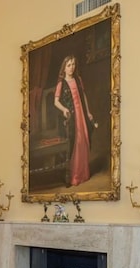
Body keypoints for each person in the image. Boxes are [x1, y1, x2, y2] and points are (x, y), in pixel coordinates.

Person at [54, 55, 96, 187]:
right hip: (72, 117)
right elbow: (55, 101)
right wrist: (64, 109)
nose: (71, 68)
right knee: (76, 142)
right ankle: (75, 176)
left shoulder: (78, 79)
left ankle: (84, 174)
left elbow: (83, 96)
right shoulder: (61, 83)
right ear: (64, 68)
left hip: (81, 114)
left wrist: (88, 112)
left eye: (73, 64)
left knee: (83, 141)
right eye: (68, 65)